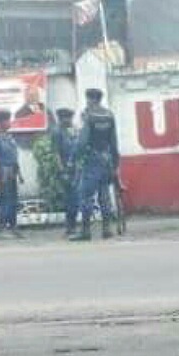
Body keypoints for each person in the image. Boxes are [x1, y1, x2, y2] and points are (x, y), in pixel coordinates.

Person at [71, 88, 120, 241]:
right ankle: (107, 229)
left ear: (91, 99)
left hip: (92, 160)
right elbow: (114, 142)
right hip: (107, 160)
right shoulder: (109, 115)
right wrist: (115, 164)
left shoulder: (89, 116)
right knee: (104, 195)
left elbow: (82, 142)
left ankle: (85, 231)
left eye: (88, 99)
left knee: (86, 196)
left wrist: (74, 158)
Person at [0, 110, 23, 238]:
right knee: (4, 201)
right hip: (2, 174)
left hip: (12, 173)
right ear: (0, 122)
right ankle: (3, 229)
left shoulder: (9, 138)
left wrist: (20, 174)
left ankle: (13, 227)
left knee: (13, 201)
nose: (9, 122)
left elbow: (14, 158)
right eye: (7, 120)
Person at [51, 108, 80, 236]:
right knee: (70, 199)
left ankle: (72, 226)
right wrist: (62, 170)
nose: (70, 120)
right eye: (67, 118)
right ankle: (70, 227)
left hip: (75, 169)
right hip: (66, 170)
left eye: (70, 118)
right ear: (61, 118)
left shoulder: (71, 130)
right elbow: (56, 153)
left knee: (75, 198)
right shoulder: (57, 132)